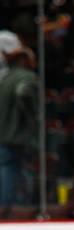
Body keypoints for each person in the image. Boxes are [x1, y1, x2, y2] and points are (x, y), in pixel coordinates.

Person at [0, 46, 38, 215]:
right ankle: (15, 211)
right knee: (16, 173)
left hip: (4, 136)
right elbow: (24, 94)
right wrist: (32, 120)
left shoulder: (5, 78)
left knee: (7, 171)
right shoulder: (26, 77)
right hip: (18, 138)